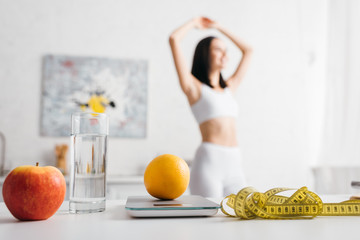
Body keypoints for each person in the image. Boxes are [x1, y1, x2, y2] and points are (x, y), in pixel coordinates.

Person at [169, 17, 253, 198]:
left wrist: (219, 27)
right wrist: (193, 23)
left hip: (235, 162)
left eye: (226, 50)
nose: (225, 55)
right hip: (209, 163)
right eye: (218, 49)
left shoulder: (230, 87)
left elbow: (248, 50)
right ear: (204, 54)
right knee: (208, 221)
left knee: (242, 217)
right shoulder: (194, 87)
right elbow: (174, 39)